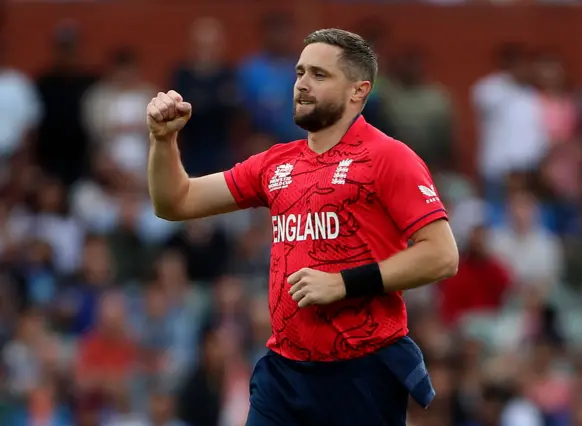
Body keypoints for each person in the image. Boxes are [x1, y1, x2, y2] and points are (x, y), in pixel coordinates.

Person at [146, 28, 459, 426]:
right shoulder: (276, 162)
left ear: (358, 91)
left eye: (319, 75)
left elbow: (442, 255)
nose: (301, 85)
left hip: (361, 370)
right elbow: (176, 202)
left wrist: (344, 283)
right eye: (299, 73)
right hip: (284, 371)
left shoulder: (389, 157)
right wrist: (163, 141)